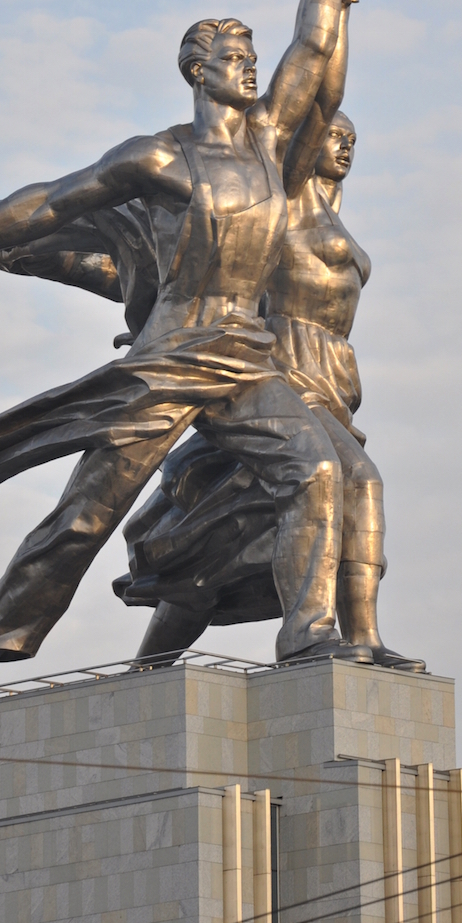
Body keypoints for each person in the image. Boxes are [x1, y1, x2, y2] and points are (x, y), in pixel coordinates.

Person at [0, 0, 369, 710]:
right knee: (81, 520)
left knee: (317, 471)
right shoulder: (162, 160)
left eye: (251, 55)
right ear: (197, 70)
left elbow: (314, 47)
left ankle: (308, 631)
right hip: (170, 358)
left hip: (245, 357)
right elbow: (51, 202)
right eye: (234, 56)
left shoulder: (274, 145)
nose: (250, 66)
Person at [118, 96, 424, 673]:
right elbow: (192, 274)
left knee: (218, 546)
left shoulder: (333, 218)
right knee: (361, 483)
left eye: (351, 138)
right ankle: (334, 632)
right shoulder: (274, 212)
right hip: (279, 369)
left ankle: (149, 670)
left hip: (331, 379)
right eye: (332, 135)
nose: (344, 145)